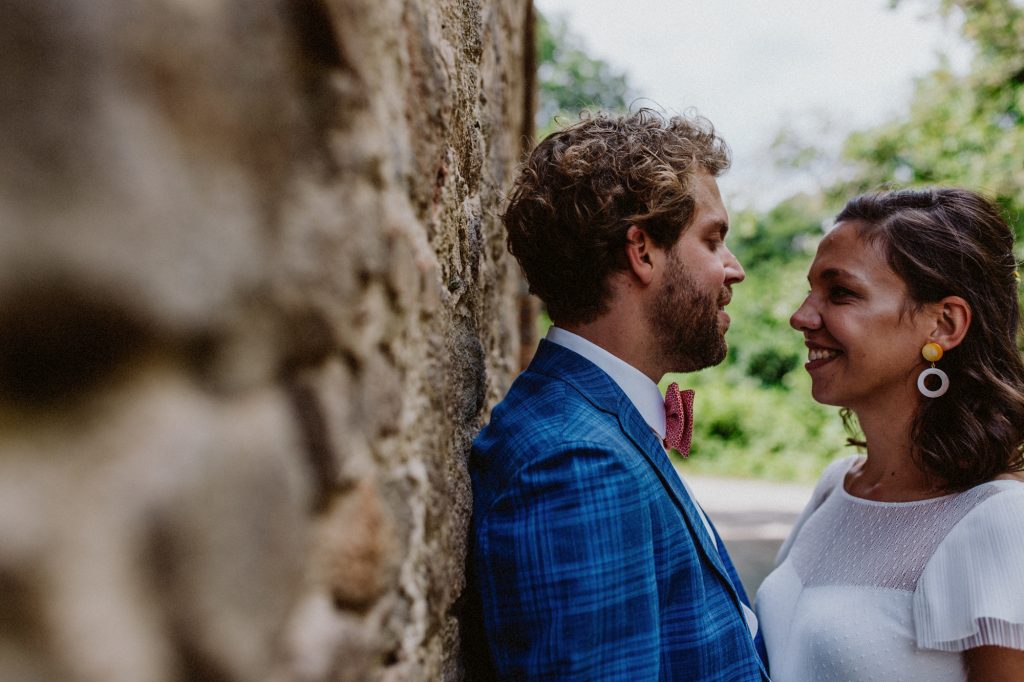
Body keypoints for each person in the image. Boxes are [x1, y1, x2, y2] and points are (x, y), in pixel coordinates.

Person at [466, 109, 769, 681]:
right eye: (713, 240)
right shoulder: (575, 462)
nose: (735, 270)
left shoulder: (593, 421)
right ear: (643, 250)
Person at [756, 188, 1024, 681]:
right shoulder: (835, 487)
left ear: (944, 324)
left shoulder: (999, 520)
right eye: (811, 289)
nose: (801, 316)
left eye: (840, 293)